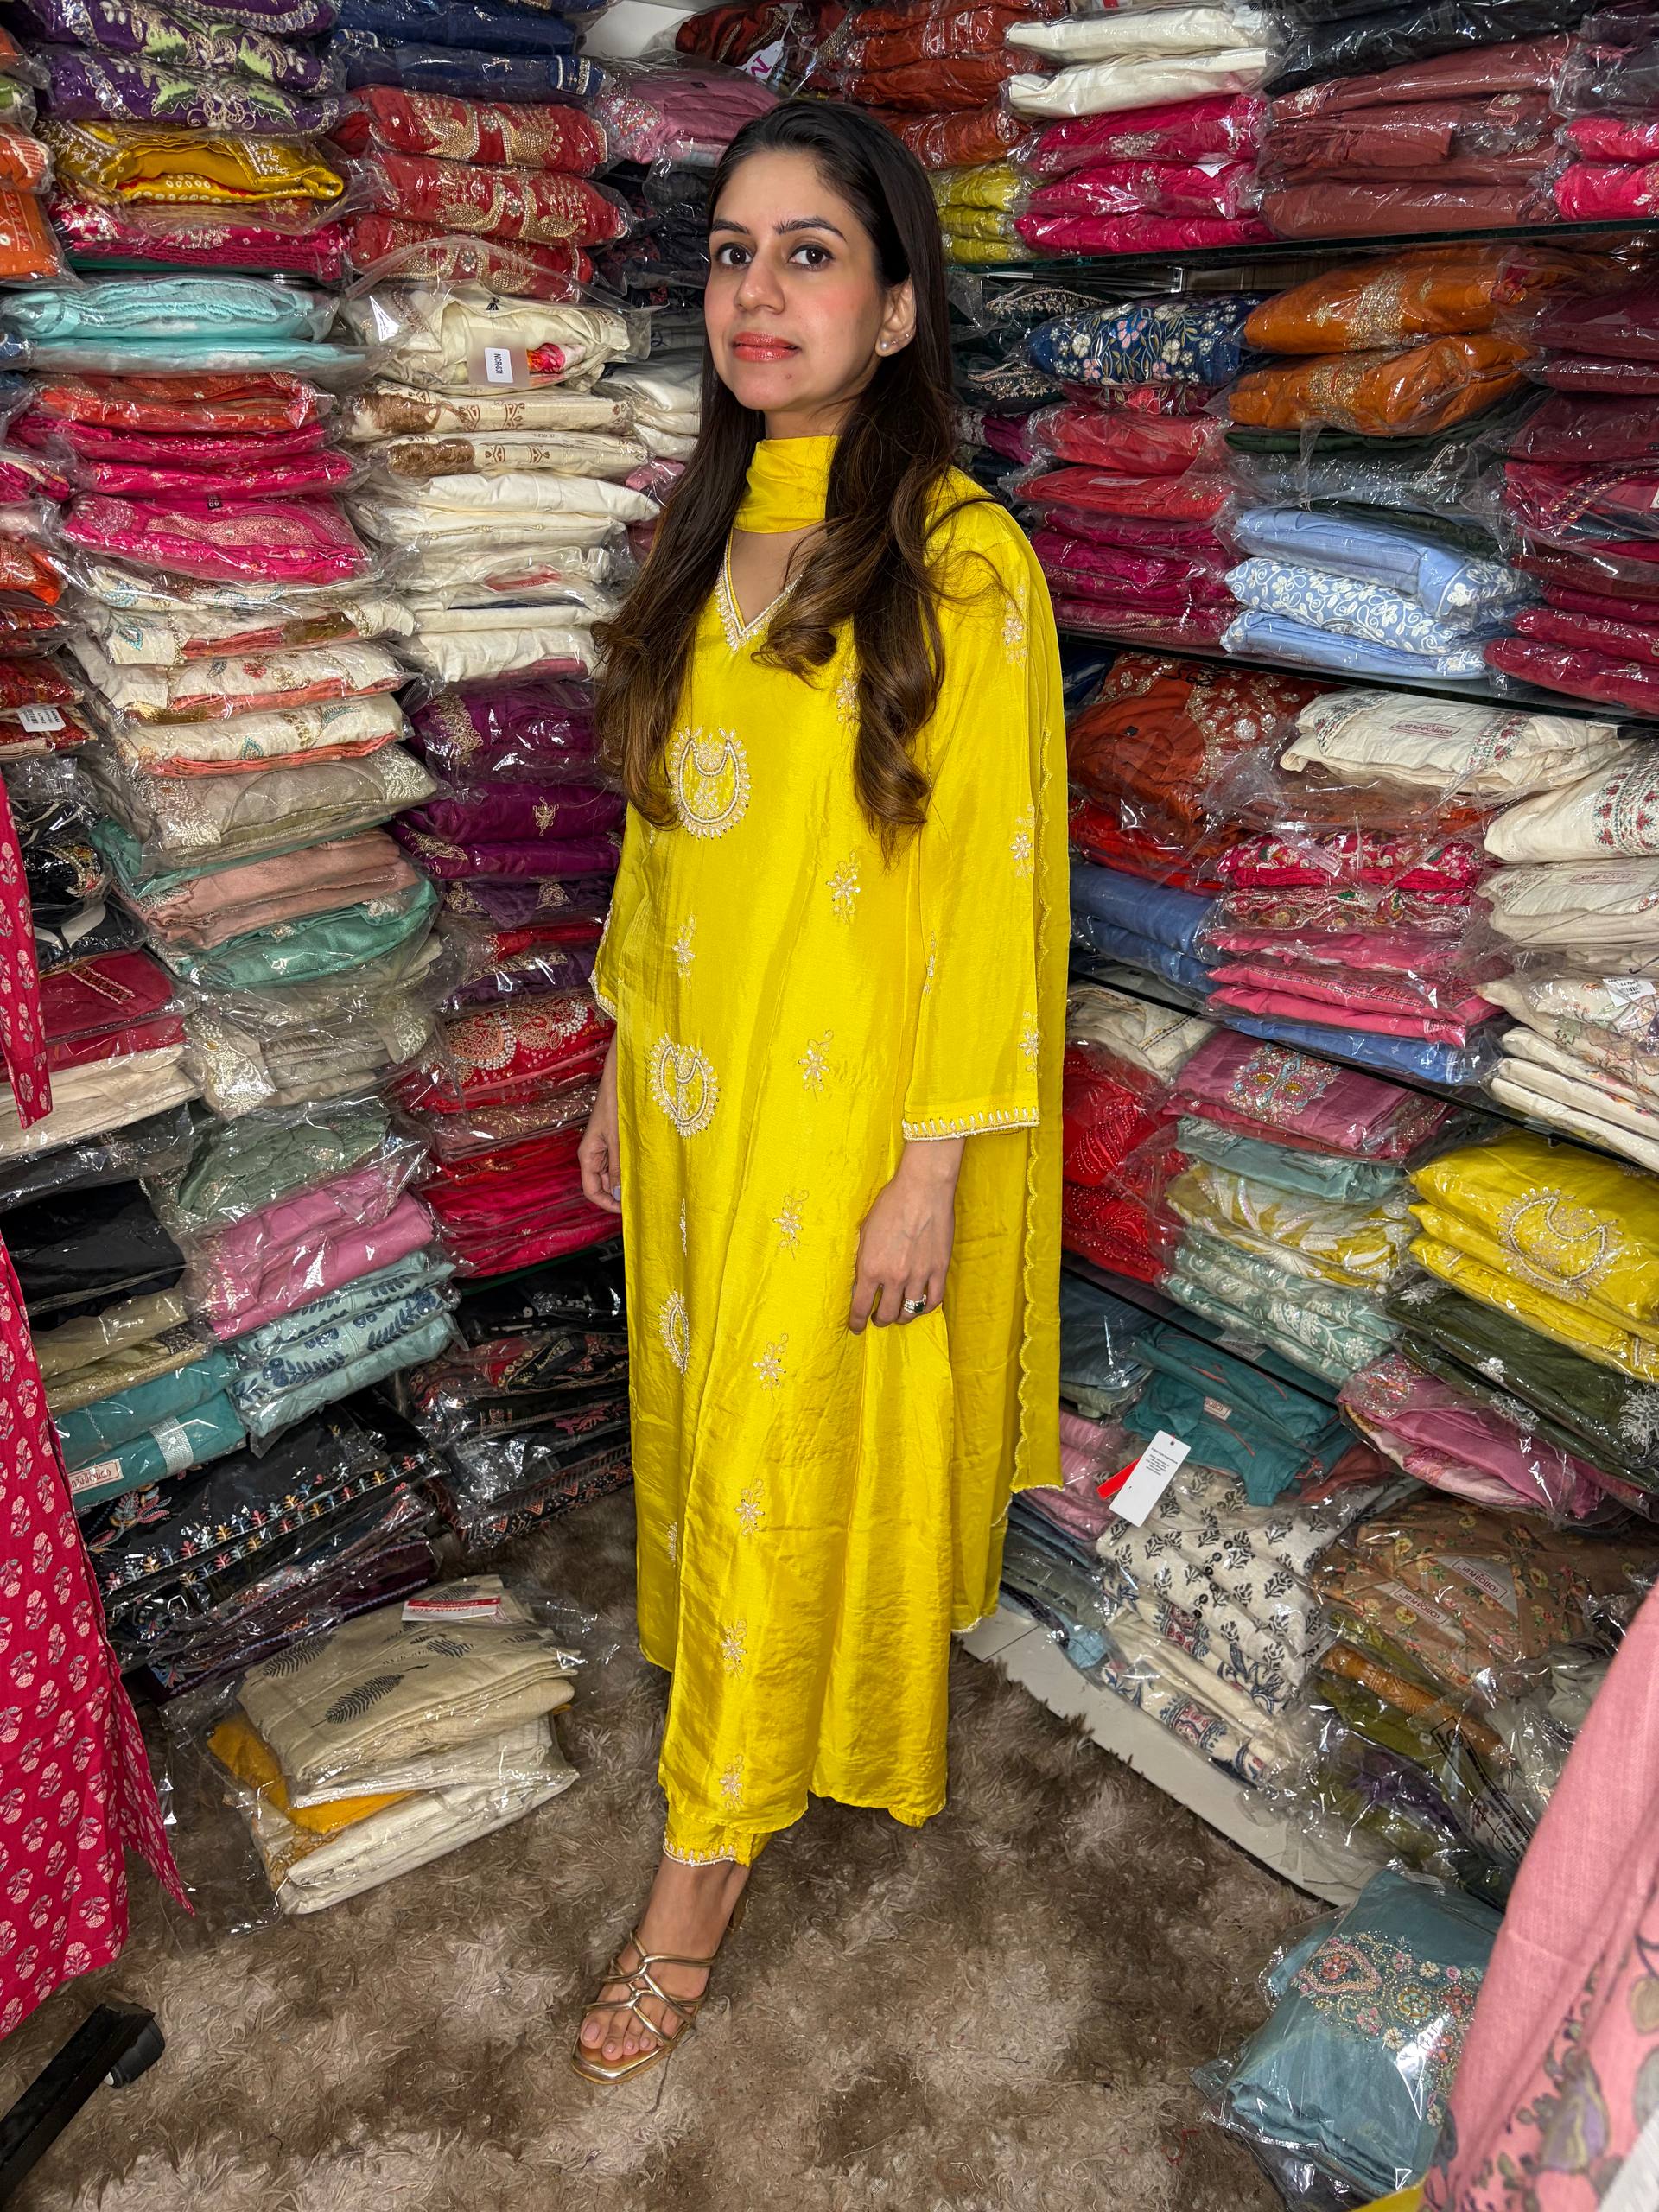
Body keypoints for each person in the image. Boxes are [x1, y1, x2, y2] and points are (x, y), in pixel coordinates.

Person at [572, 98, 1066, 2085]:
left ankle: (696, 1873)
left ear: (897, 309)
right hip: (697, 1103)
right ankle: (745, 1715)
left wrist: (931, 1165)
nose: (757, 293)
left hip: (840, 1115)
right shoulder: (700, 530)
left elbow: (995, 892)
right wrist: (620, 1059)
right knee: (714, 1441)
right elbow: (659, 838)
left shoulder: (961, 561)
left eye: (809, 253)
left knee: (778, 1460)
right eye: (731, 252)